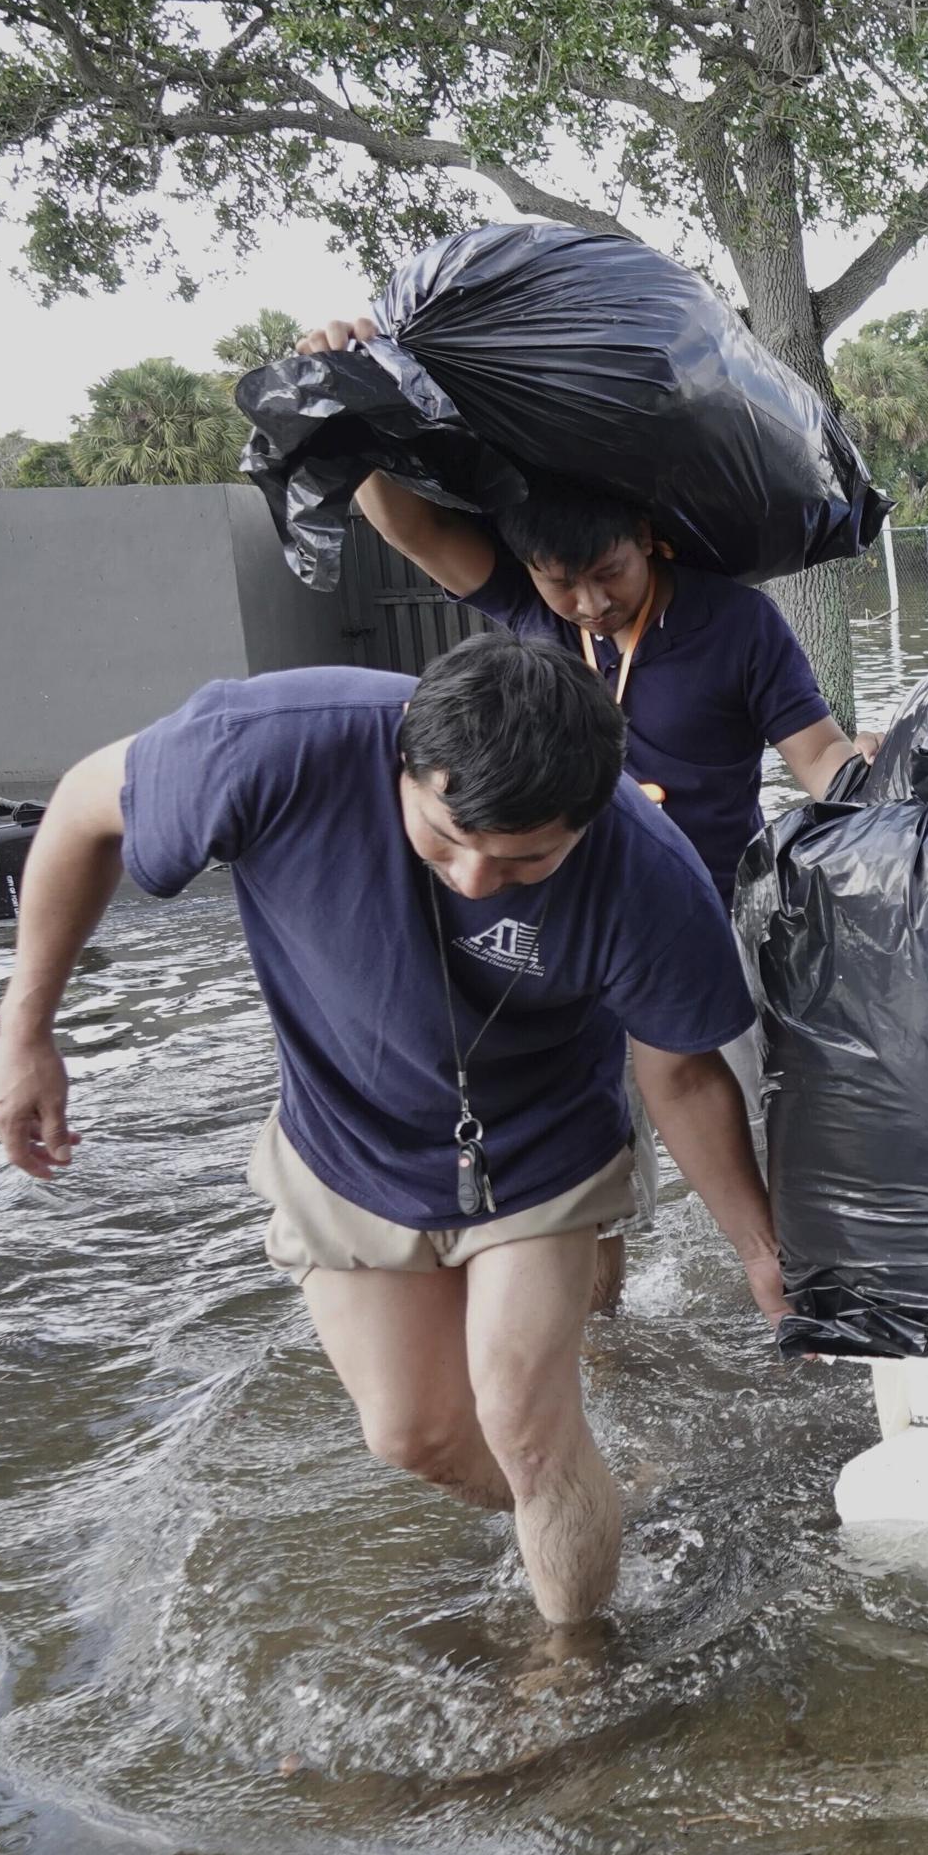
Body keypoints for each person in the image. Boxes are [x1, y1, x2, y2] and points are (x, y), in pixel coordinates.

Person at [0, 636, 785, 1627]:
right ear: (404, 761)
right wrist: (26, 1032)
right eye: (448, 837)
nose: (481, 879)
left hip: (541, 1144)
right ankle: (597, 1495)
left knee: (524, 1417)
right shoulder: (268, 749)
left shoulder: (647, 874)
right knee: (415, 1432)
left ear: (593, 813)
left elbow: (683, 1071)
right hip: (346, 1138)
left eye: (529, 857)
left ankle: (576, 1660)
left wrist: (759, 1247)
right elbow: (80, 807)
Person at [295, 315, 860, 1285]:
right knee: (584, 1162)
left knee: (754, 1121)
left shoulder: (738, 623)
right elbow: (412, 524)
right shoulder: (521, 604)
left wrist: (883, 802)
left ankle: (787, 1285)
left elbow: (816, 754)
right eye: (564, 586)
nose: (591, 606)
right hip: (559, 925)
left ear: (650, 540)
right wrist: (340, 386)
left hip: (706, 912)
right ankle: (602, 1345)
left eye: (609, 575)